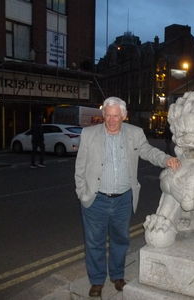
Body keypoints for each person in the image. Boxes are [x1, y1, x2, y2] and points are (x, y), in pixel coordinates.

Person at [75, 97, 180, 297]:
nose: (112, 120)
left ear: (124, 115)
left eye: (116, 115)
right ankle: (97, 281)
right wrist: (82, 193)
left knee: (120, 240)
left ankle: (117, 275)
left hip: (123, 199)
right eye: (108, 115)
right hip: (96, 199)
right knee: (94, 243)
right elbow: (80, 167)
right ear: (103, 114)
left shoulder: (135, 133)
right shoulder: (89, 134)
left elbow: (148, 152)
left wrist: (167, 159)